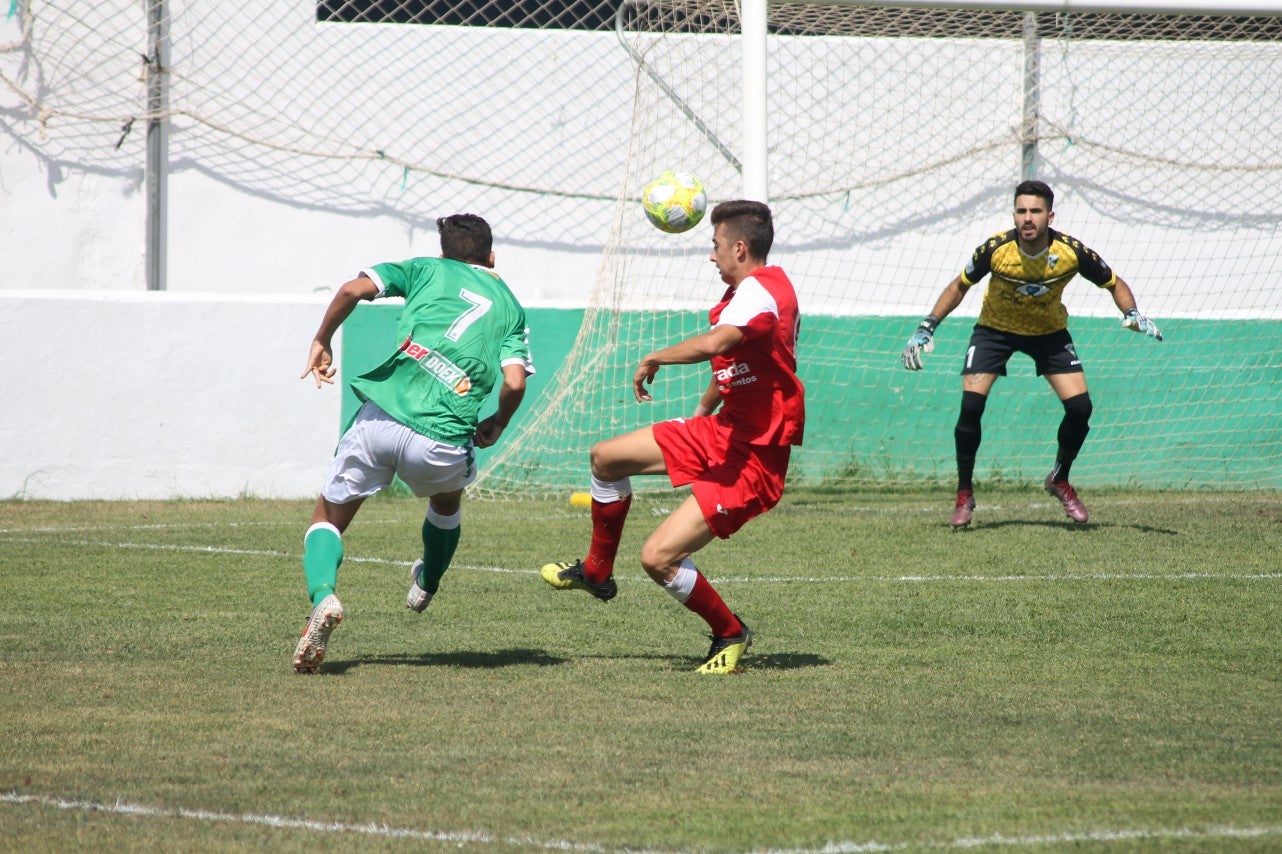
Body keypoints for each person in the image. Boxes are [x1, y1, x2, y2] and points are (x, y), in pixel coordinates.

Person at [540, 199, 804, 674]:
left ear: (740, 248)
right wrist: (705, 408)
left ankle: (729, 632)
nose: (711, 255)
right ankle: (598, 572)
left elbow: (716, 345)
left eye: (716, 244)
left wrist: (656, 356)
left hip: (755, 457)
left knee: (658, 557)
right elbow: (740, 359)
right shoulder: (753, 292)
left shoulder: (762, 292)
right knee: (605, 458)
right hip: (722, 431)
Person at [292, 213, 534, 674]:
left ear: (445, 252)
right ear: (492, 257)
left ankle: (324, 597)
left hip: (381, 417)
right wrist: (498, 422)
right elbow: (515, 382)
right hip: (442, 438)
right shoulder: (511, 306)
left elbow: (349, 291)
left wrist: (322, 339)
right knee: (445, 504)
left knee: (328, 518)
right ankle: (428, 581)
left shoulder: (425, 268)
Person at [901, 180, 1163, 528]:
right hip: (994, 331)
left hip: (1049, 334)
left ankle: (1059, 478)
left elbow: (1114, 282)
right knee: (971, 407)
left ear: (1049, 215)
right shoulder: (996, 249)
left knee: (1081, 409)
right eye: (1021, 210)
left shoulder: (1071, 252)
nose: (1027, 218)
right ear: (1014, 213)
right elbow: (958, 286)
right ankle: (964, 493)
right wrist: (927, 326)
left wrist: (1131, 313)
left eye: (1035, 211)